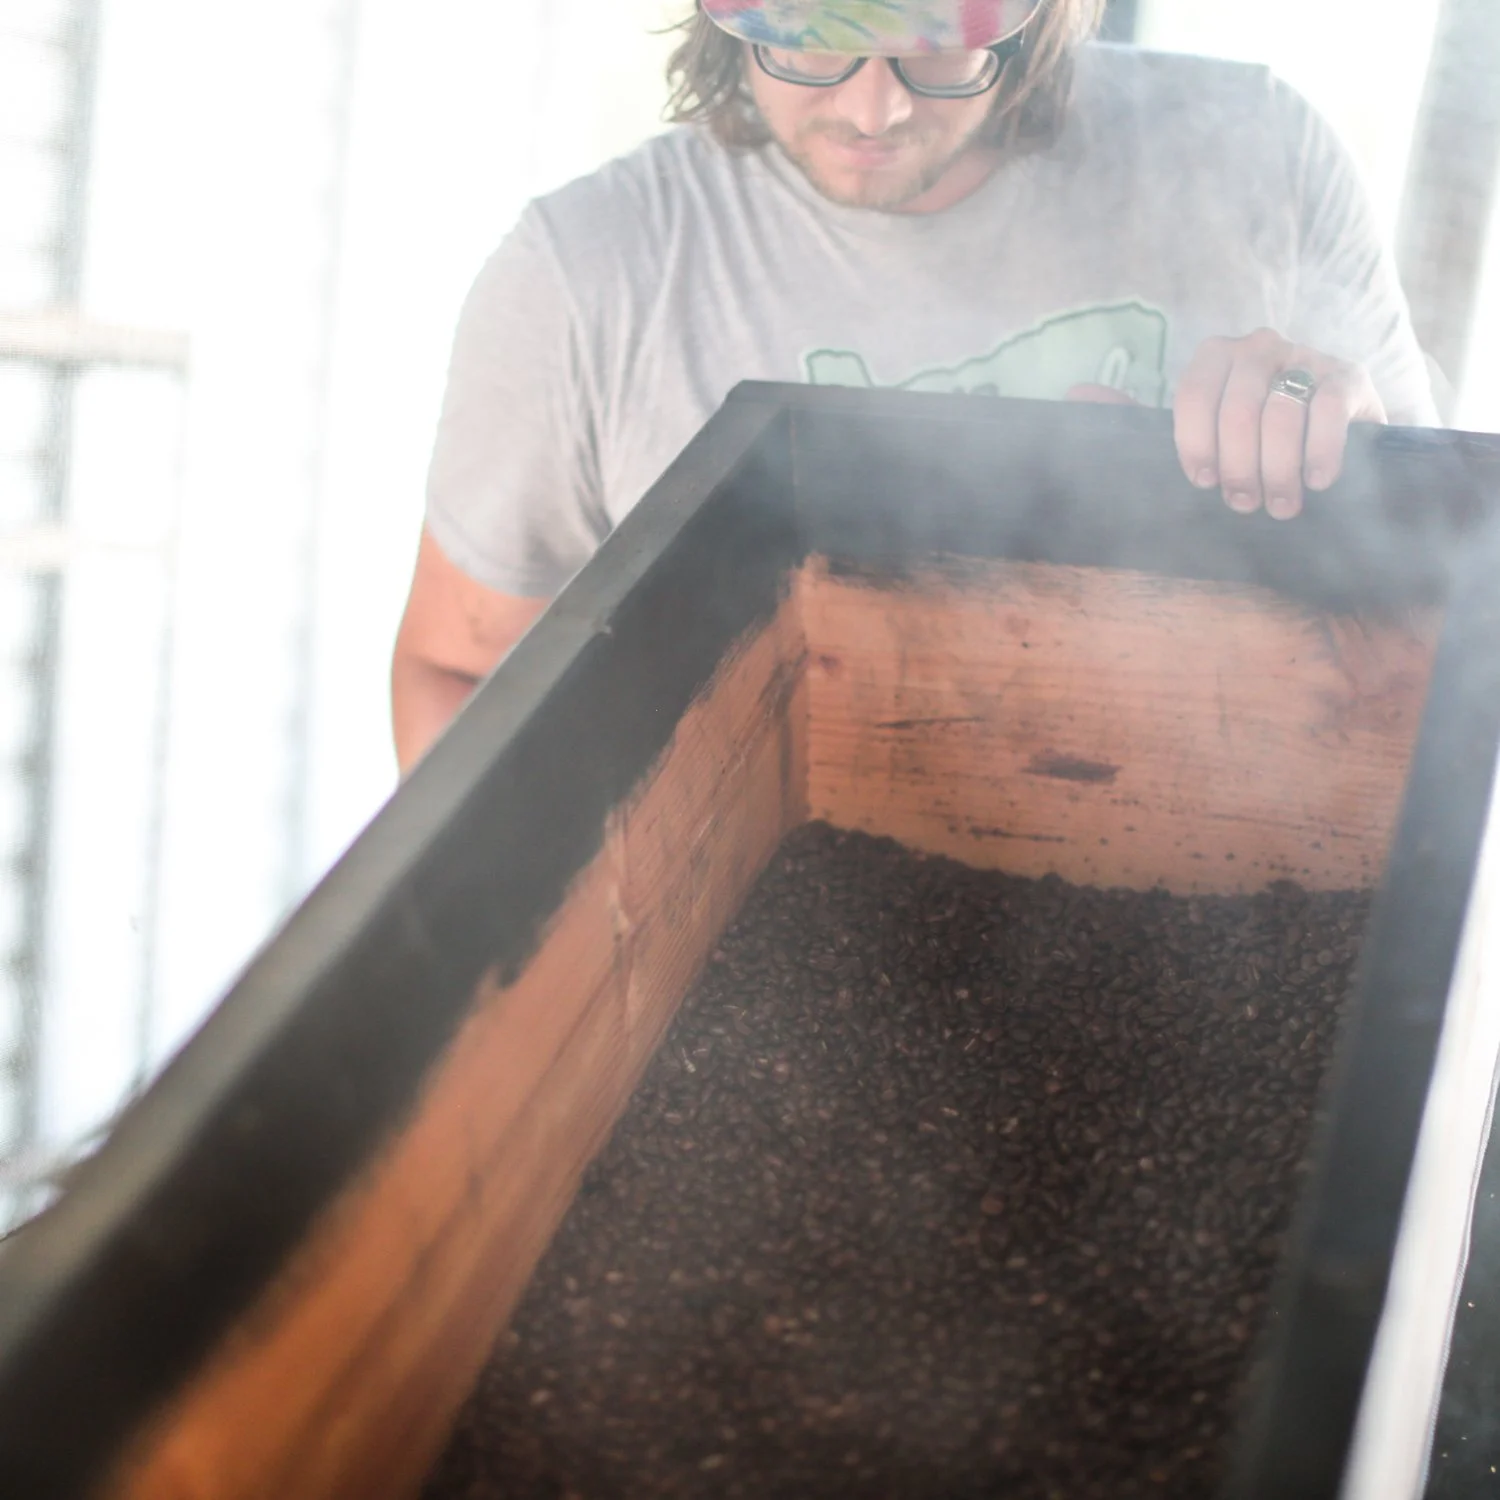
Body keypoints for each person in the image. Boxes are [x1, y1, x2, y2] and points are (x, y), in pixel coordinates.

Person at [391, 0, 1436, 773]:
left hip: (1206, 871)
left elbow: (1429, 632)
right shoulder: (583, 277)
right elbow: (457, 678)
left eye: (937, 36)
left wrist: (1355, 470)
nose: (873, 106)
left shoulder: (1264, 160)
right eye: (811, 33)